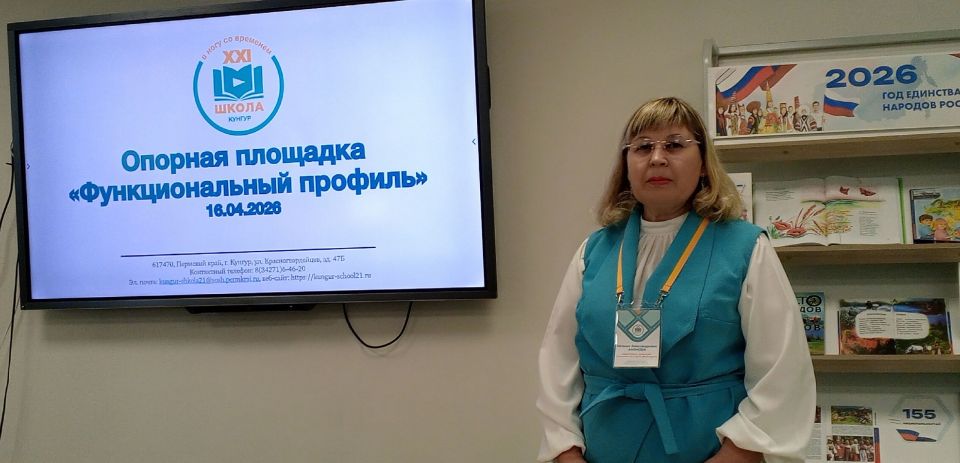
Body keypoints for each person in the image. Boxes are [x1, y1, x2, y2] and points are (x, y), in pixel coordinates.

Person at [536, 97, 815, 463]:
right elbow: (558, 365)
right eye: (642, 147)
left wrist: (735, 455)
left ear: (703, 164)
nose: (657, 158)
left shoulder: (745, 248)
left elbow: (782, 373)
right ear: (626, 165)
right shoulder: (594, 251)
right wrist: (566, 451)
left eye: (674, 145)